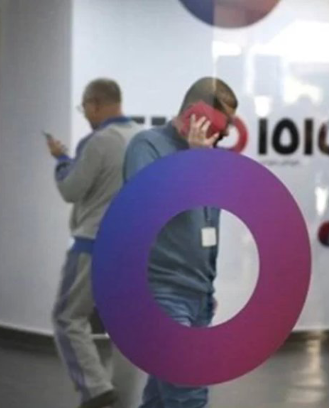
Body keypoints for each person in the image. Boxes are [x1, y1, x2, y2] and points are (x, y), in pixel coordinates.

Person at [123, 77, 238, 408]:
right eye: (220, 123)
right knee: (189, 394)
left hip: (198, 294)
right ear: (194, 112)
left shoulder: (210, 156)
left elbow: (208, 221)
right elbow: (145, 210)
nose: (225, 133)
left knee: (162, 398)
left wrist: (206, 288)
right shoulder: (147, 145)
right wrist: (193, 161)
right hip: (161, 291)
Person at [48, 79, 141, 408]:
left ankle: (96, 388)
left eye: (84, 107)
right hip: (132, 244)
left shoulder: (98, 141)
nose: (85, 114)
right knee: (126, 325)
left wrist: (61, 160)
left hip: (94, 243)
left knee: (67, 317)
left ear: (95, 103)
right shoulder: (142, 138)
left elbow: (70, 190)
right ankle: (125, 395)